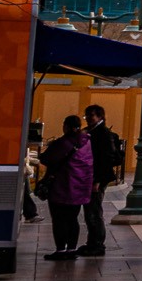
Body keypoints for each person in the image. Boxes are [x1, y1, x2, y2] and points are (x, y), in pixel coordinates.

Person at [38, 115, 94, 261]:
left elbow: (46, 158)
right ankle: (72, 249)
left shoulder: (63, 143)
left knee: (59, 219)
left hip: (61, 186)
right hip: (80, 187)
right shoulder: (87, 142)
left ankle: (61, 249)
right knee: (73, 219)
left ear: (67, 126)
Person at [81, 103, 123, 257]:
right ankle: (92, 242)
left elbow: (104, 159)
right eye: (87, 115)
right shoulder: (92, 132)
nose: (88, 118)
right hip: (94, 176)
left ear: (100, 117)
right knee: (90, 211)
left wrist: (97, 180)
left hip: (97, 178)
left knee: (93, 211)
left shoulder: (102, 134)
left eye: (91, 115)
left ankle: (97, 244)